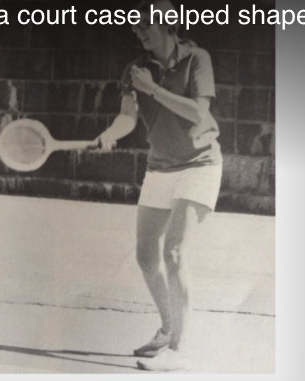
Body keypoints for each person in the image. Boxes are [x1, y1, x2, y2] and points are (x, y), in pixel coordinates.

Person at [94, 0, 223, 372]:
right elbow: (126, 117)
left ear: (168, 23)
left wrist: (152, 89)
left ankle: (180, 351)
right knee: (146, 256)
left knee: (175, 253)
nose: (138, 30)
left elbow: (199, 113)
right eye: (134, 26)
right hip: (160, 168)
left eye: (144, 23)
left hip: (199, 165)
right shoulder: (134, 70)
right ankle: (168, 330)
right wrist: (109, 134)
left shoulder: (198, 58)